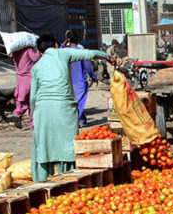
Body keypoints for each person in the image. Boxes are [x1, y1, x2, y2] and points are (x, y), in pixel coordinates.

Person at [30, 34, 112, 182]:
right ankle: (68, 183)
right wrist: (106, 56)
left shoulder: (36, 67)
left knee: (43, 147)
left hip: (42, 110)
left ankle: (40, 184)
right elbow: (89, 53)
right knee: (67, 148)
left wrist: (34, 116)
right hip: (64, 107)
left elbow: (33, 98)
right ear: (56, 44)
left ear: (40, 52)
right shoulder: (63, 52)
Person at [62, 30, 97, 126]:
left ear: (68, 39)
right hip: (80, 81)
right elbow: (88, 66)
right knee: (80, 102)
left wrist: (65, 41)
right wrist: (94, 77)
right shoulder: (81, 52)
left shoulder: (64, 51)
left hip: (68, 81)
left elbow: (59, 47)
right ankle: (77, 120)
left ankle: (81, 119)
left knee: (72, 102)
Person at [10, 44, 41, 129]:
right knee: (33, 102)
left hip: (20, 79)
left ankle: (17, 113)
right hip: (29, 78)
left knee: (21, 101)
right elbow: (35, 58)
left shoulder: (14, 51)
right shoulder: (28, 49)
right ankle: (32, 124)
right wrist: (37, 50)